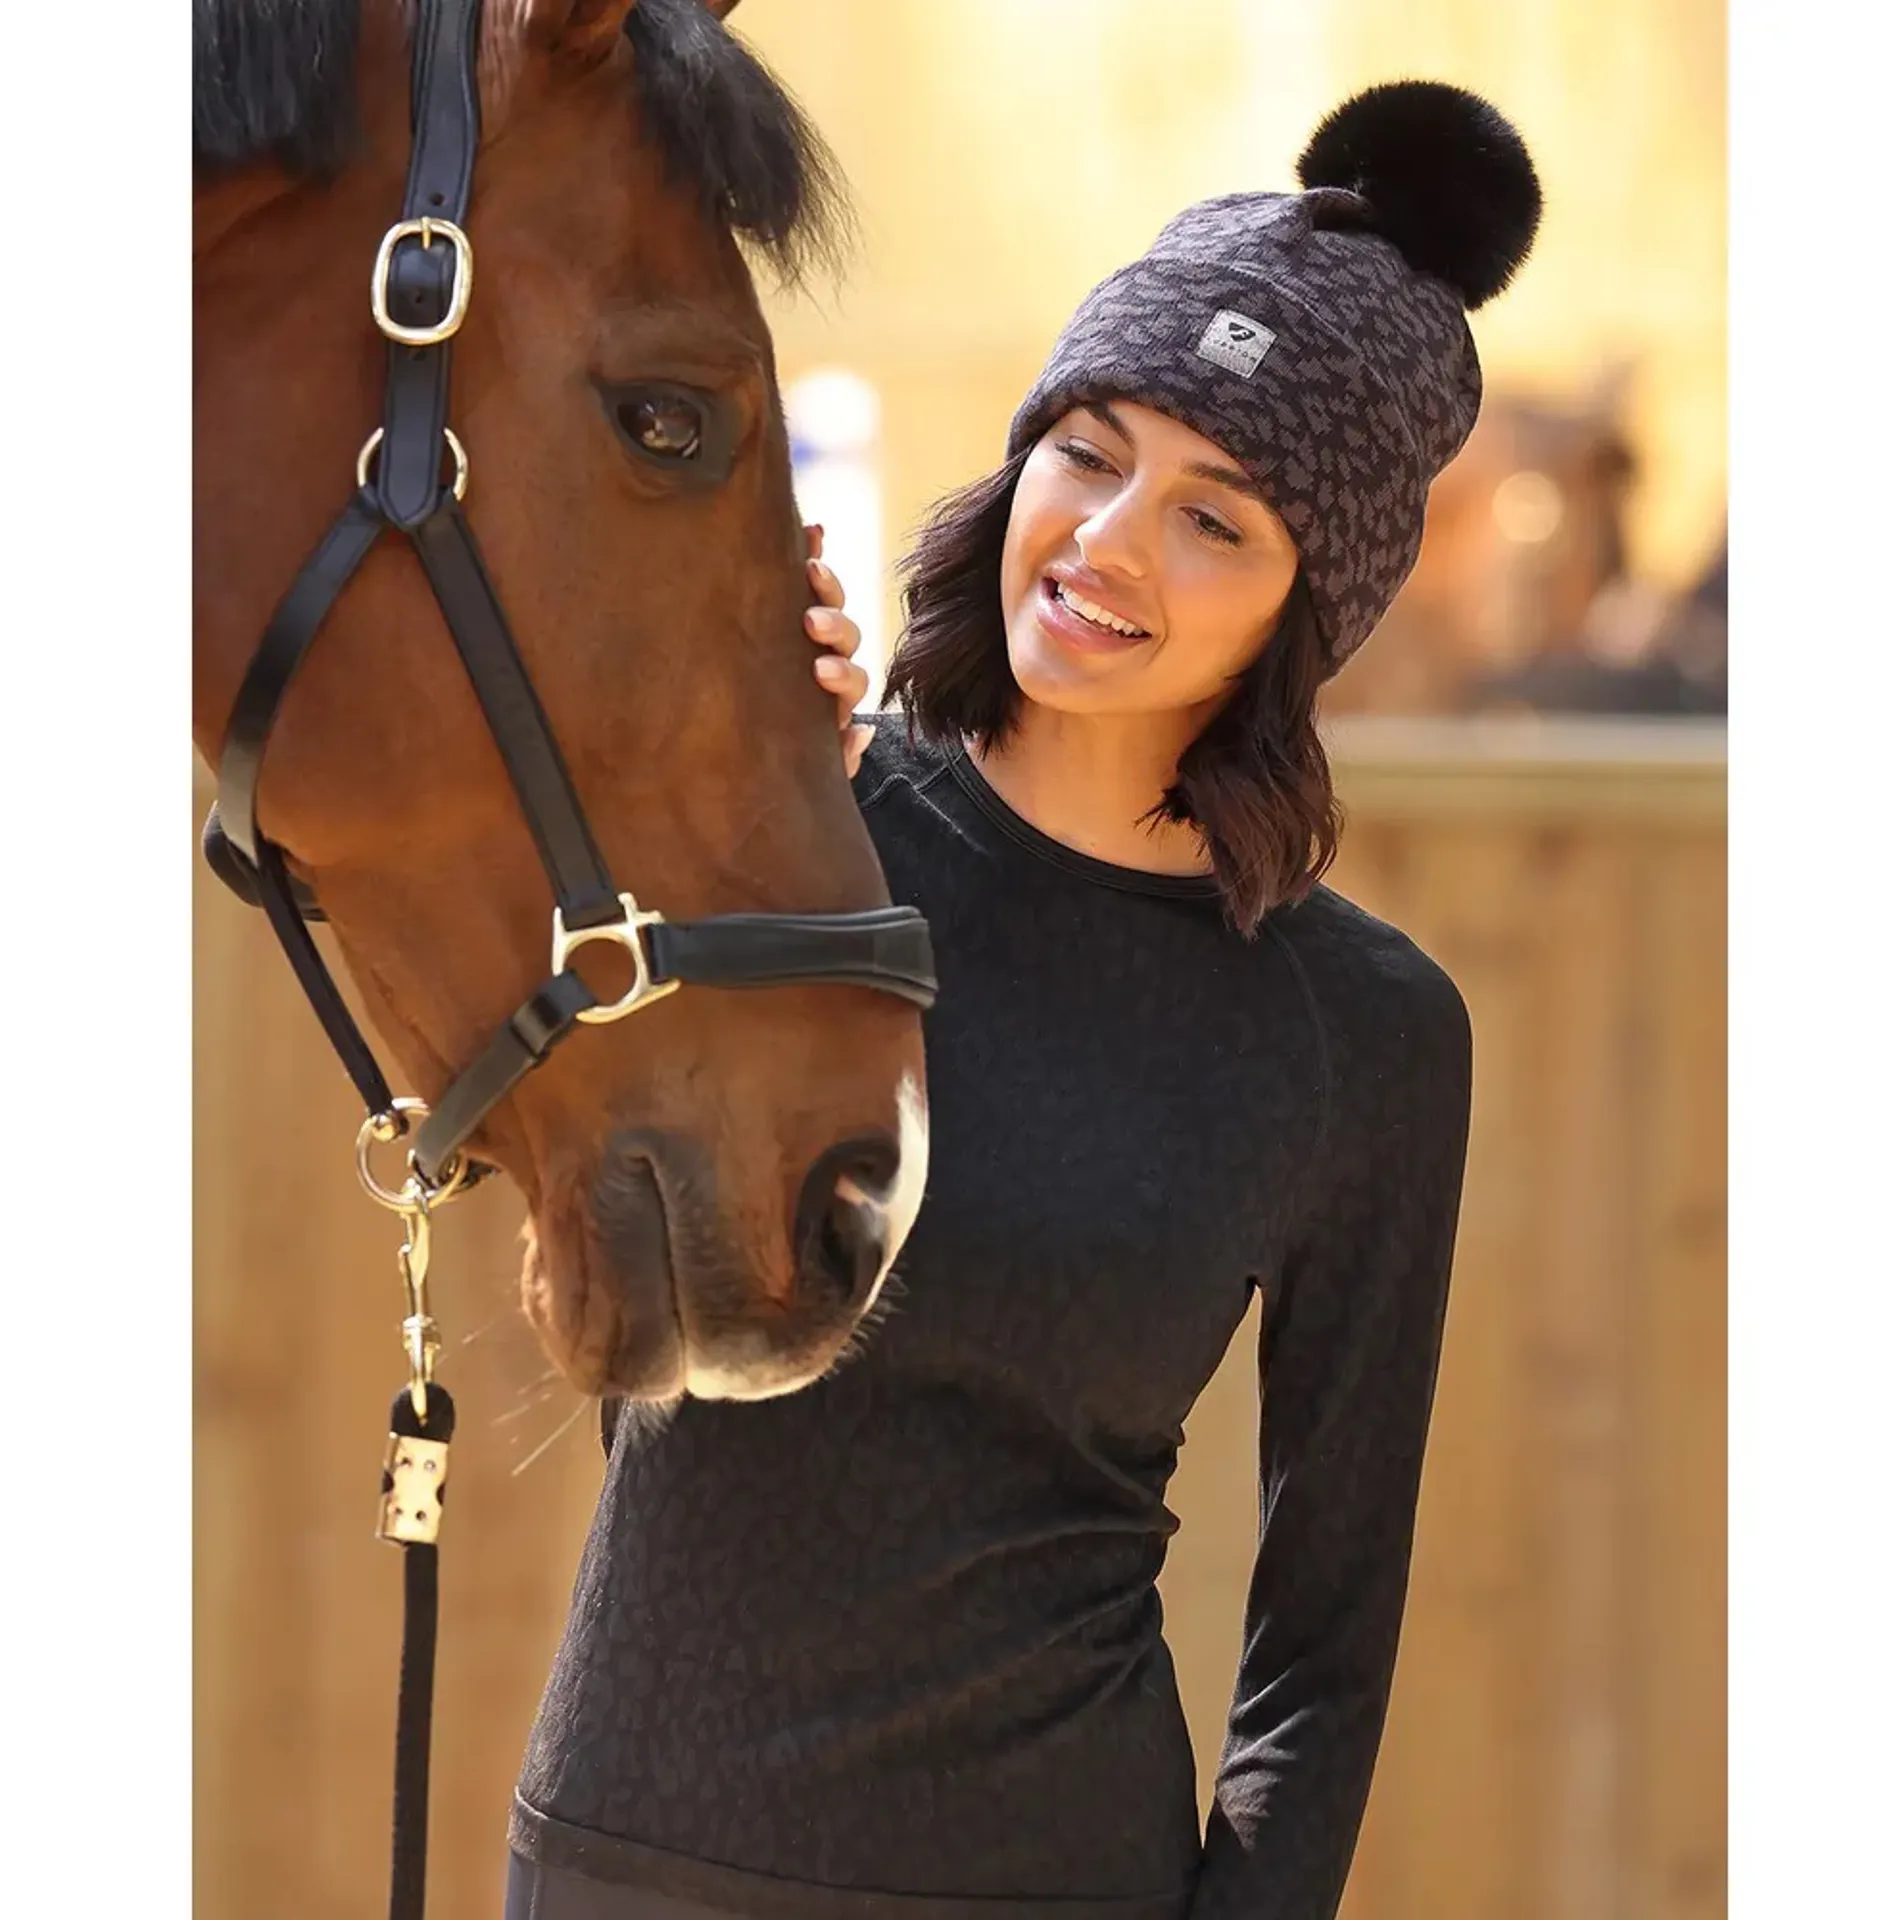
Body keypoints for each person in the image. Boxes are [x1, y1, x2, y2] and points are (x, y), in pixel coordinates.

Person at [507, 79, 1542, 1920]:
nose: (1110, 540)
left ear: (1309, 609)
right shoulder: (806, 830)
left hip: (1051, 1875)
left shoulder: (1363, 1037)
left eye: (1217, 520)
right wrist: (729, 831)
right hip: (624, 1847)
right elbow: (593, 1249)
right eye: (1089, 450)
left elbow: (1325, 1640)